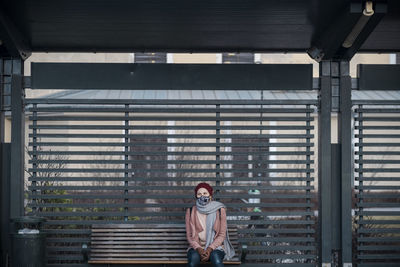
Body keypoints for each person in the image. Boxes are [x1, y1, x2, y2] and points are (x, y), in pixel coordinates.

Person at [185, 182, 235, 267]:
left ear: (210, 195)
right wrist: (199, 249)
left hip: (215, 247)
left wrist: (209, 249)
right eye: (199, 194)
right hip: (196, 247)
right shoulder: (190, 211)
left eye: (205, 193)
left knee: (216, 259)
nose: (202, 196)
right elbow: (189, 236)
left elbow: (222, 235)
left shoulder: (219, 210)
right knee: (193, 260)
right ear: (196, 196)